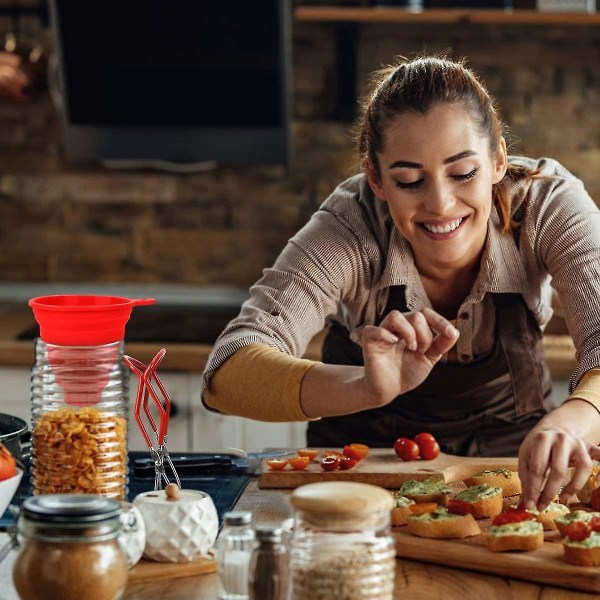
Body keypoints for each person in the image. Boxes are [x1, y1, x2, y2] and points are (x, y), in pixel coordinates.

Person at [201, 55, 600, 511]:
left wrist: (578, 417)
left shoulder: (548, 205)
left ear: (497, 161)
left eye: (464, 173)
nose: (441, 204)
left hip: (512, 466)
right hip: (362, 475)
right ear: (376, 179)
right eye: (409, 180)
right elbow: (226, 372)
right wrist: (362, 387)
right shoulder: (350, 227)